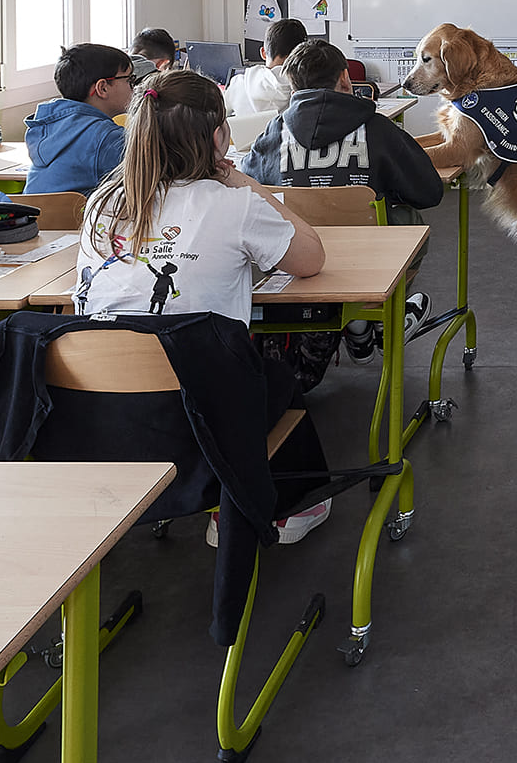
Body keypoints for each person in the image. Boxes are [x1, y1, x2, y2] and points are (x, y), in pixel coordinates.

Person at [77, 68, 334, 542]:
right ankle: (269, 506)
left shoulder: (102, 206)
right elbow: (310, 257)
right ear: (219, 137)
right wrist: (237, 178)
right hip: (202, 409)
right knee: (276, 379)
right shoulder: (234, 205)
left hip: (100, 412)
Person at [240, 37, 439, 362]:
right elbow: (429, 192)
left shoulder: (274, 133)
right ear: (346, 79)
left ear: (293, 84)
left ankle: (358, 329)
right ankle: (377, 316)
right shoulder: (377, 129)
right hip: (371, 260)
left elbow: (251, 191)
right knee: (408, 221)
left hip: (296, 258)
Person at [24, 44, 132, 195]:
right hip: (81, 218)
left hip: (35, 218)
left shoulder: (47, 128)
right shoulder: (108, 137)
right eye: (129, 79)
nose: (134, 87)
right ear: (103, 88)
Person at [224, 18, 306, 118]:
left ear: (263, 53)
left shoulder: (238, 84)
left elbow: (220, 115)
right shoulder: (306, 90)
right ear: (302, 55)